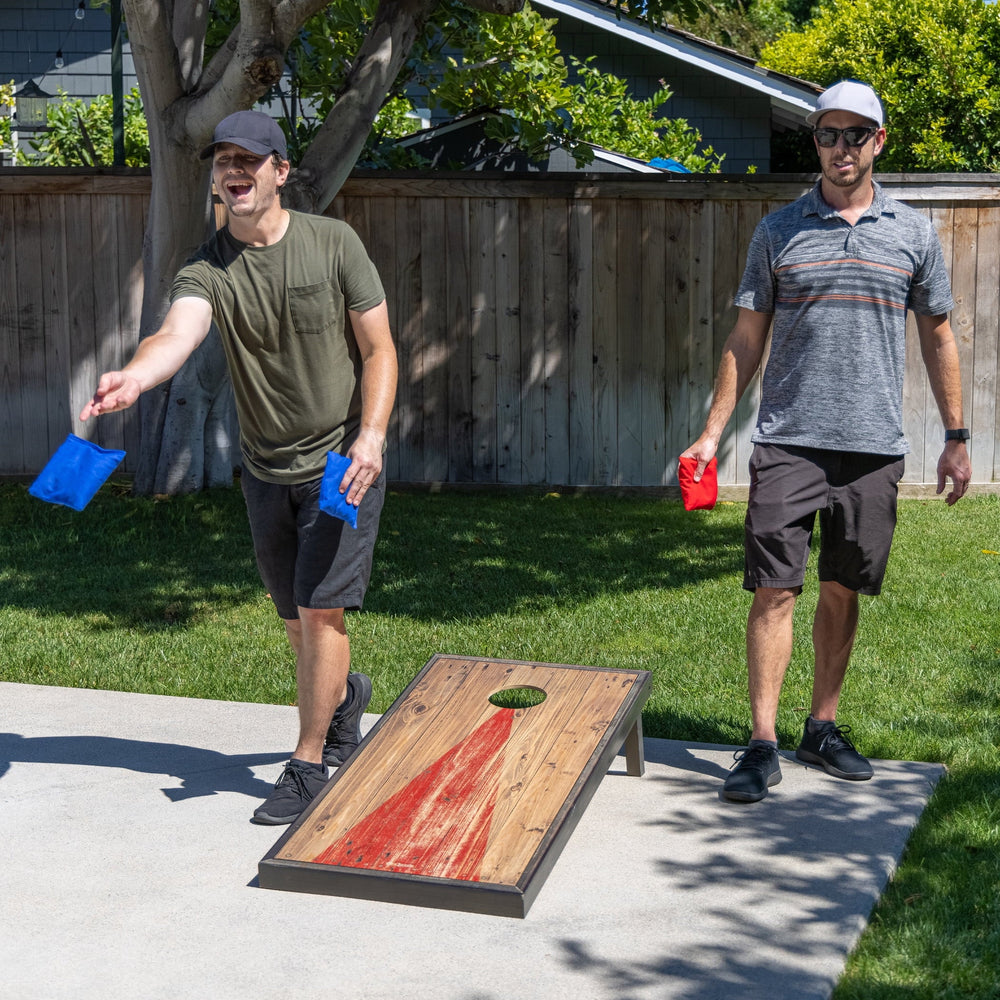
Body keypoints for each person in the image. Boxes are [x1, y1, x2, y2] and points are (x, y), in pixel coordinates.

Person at [80, 110, 398, 825]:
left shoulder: (333, 244)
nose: (234, 169)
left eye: (250, 158)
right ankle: (344, 700)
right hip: (264, 470)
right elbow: (176, 332)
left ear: (280, 171)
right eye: (224, 158)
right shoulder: (208, 267)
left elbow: (380, 350)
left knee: (320, 613)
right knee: (293, 619)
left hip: (340, 462)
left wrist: (372, 437)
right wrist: (135, 377)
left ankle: (309, 762)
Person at [681, 80, 972, 803]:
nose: (840, 148)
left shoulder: (911, 232)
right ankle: (761, 742)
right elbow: (746, 337)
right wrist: (712, 433)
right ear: (815, 142)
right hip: (789, 441)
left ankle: (823, 726)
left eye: (855, 134)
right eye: (827, 134)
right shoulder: (778, 231)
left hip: (872, 446)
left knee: (843, 589)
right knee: (774, 590)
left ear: (879, 141)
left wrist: (957, 436)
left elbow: (938, 334)